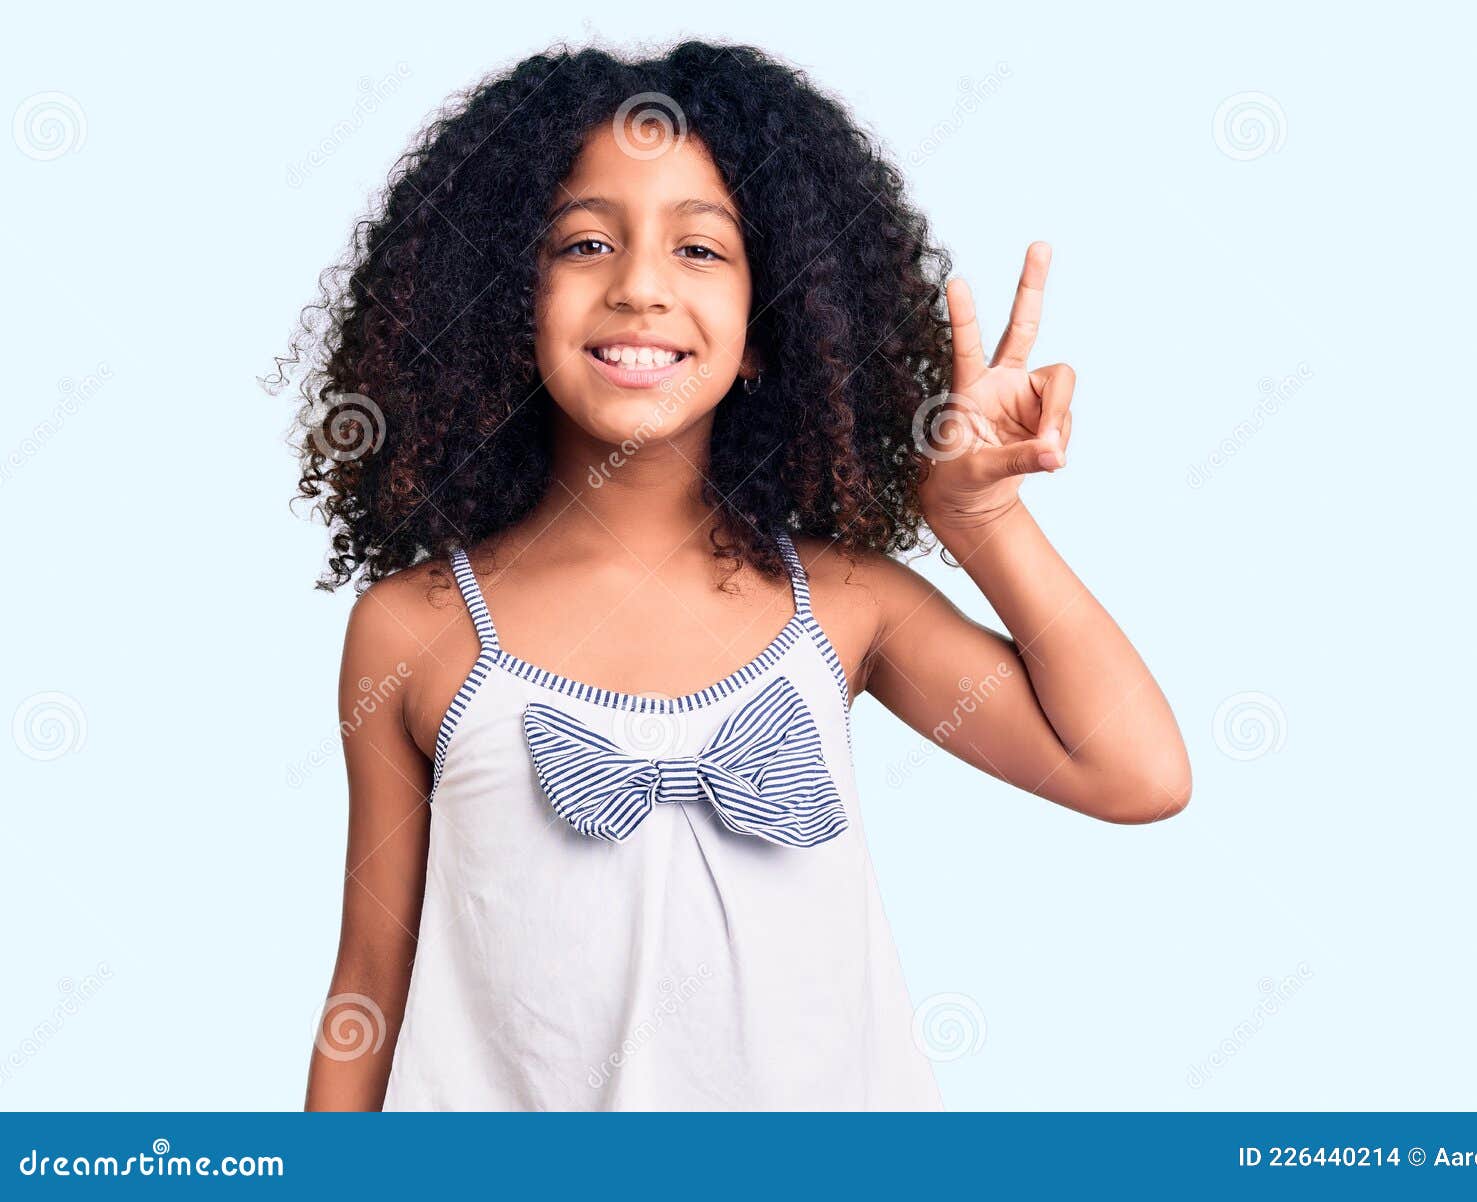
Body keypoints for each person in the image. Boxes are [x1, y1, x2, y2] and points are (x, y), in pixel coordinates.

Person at [284, 39, 1191, 1111]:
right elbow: (368, 991)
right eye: (584, 242)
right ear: (505, 304)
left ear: (768, 330)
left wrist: (979, 519)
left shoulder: (848, 605)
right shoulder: (414, 631)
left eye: (700, 251)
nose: (638, 289)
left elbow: (1136, 773)